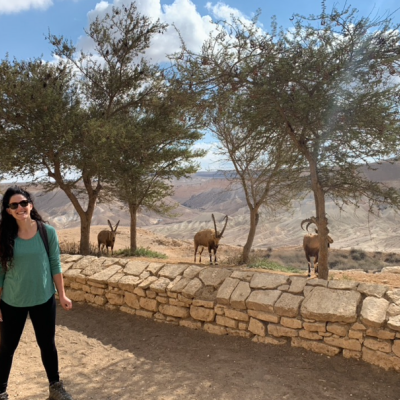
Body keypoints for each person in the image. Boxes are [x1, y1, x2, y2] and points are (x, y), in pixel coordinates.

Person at [0, 186, 73, 400]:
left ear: (30, 205)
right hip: (12, 301)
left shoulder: (46, 232)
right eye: (14, 205)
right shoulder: (4, 237)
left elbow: (54, 264)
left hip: (44, 298)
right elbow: (0, 272)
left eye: (24, 203)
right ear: (8, 210)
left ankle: (55, 388)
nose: (20, 207)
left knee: (47, 344)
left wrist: (62, 294)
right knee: (6, 347)